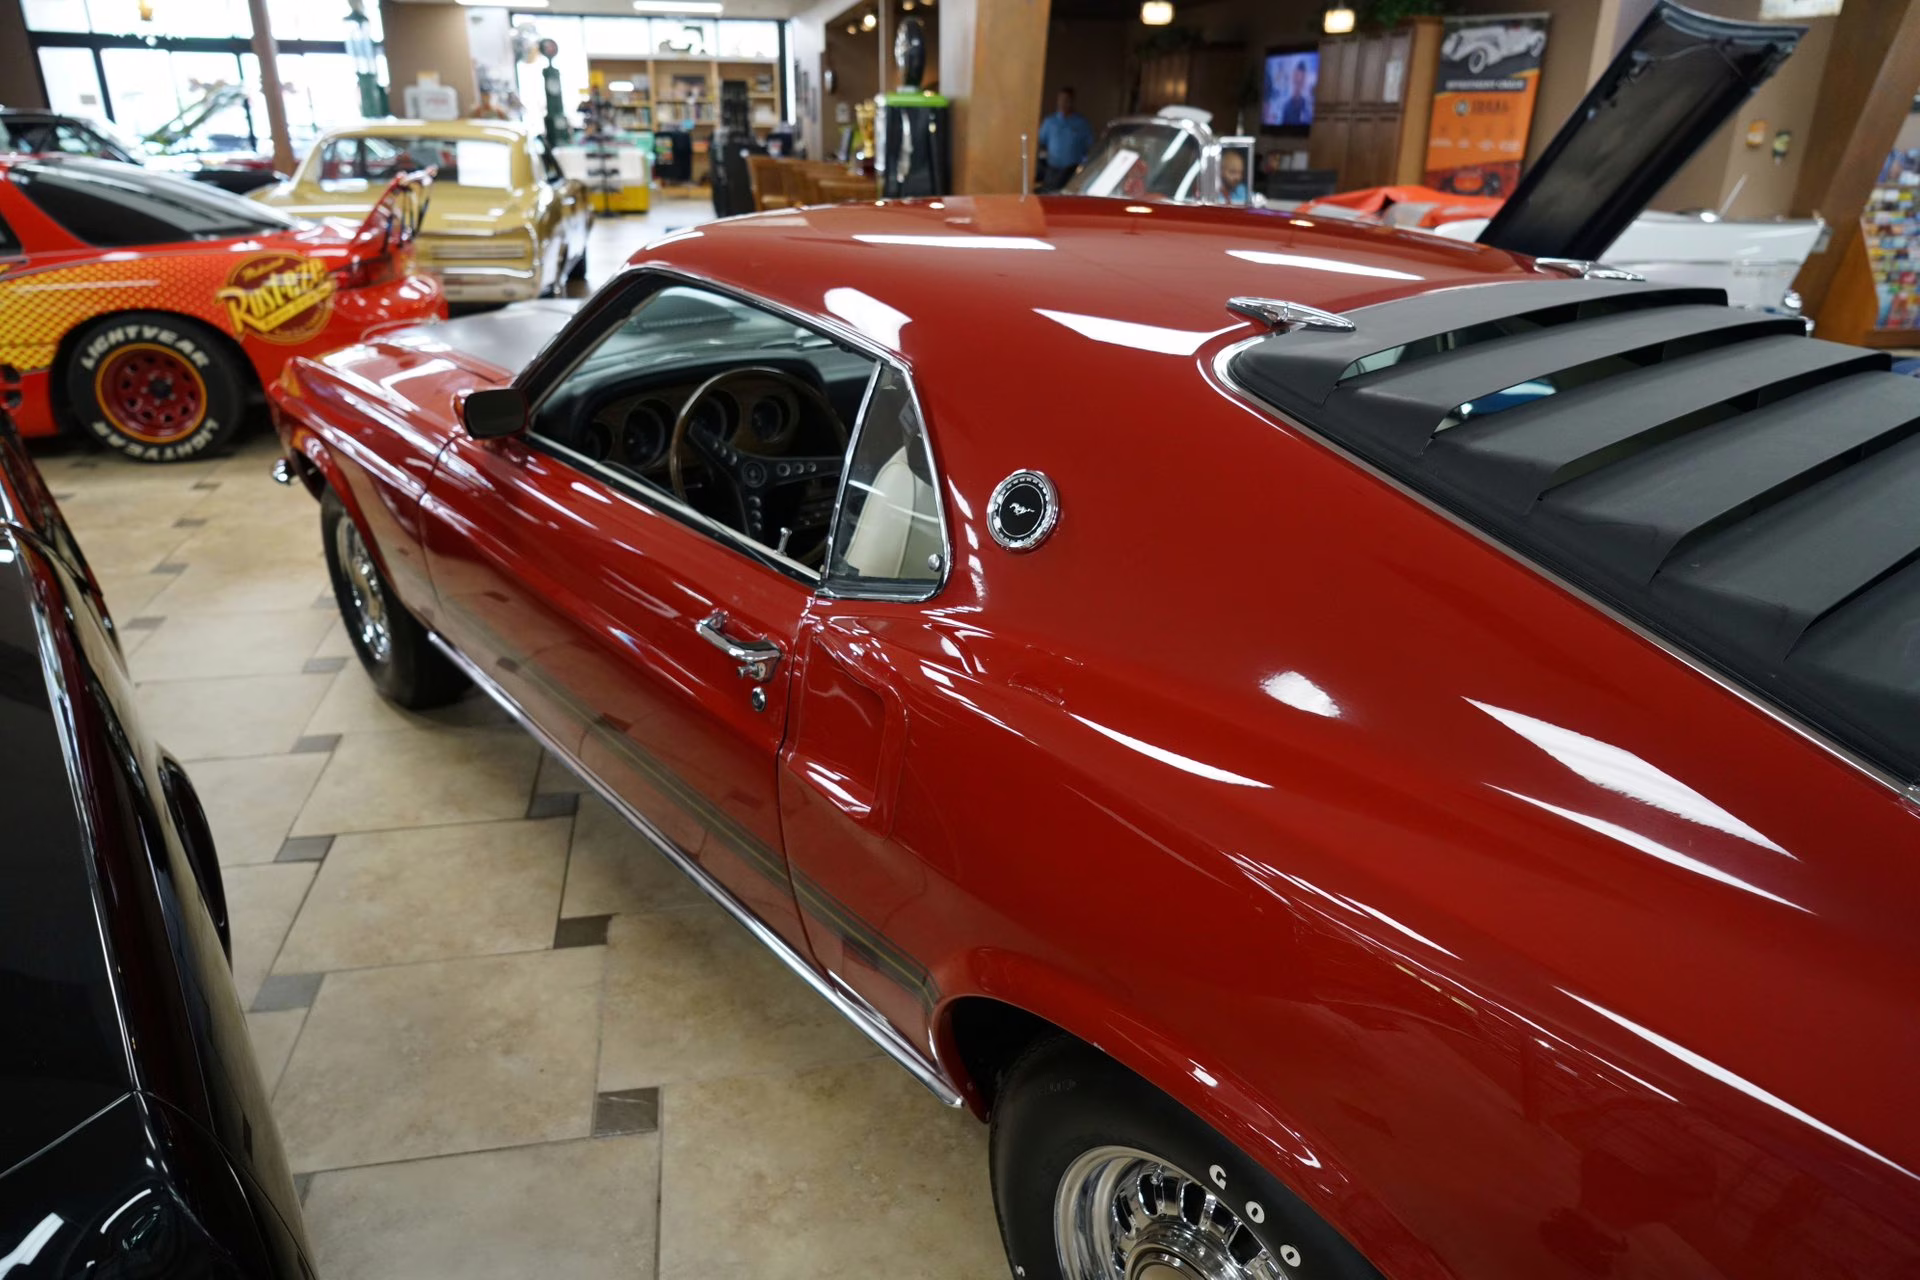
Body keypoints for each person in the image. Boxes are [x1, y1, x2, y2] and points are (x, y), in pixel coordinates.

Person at [1037, 87, 1094, 191]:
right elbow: (1041, 142)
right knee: (1049, 195)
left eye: (1067, 100)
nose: (1063, 103)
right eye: (1061, 100)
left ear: (1072, 102)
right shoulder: (1050, 122)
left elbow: (1089, 147)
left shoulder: (1082, 123)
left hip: (1072, 171)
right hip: (1052, 169)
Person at [1279, 59, 1313, 126]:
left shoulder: (1307, 107)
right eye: (1297, 81)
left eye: (1301, 81)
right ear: (1293, 79)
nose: (1298, 84)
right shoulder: (1286, 107)